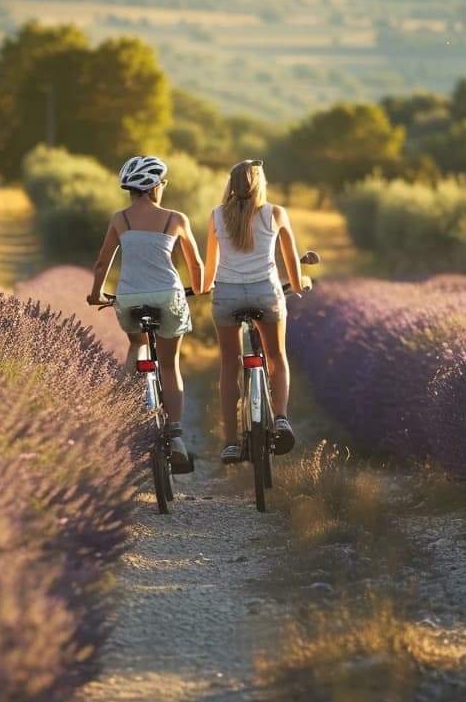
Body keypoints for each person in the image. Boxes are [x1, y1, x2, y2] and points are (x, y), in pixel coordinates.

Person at [89, 155, 208, 472]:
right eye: (162, 183)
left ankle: (123, 411)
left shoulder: (120, 219)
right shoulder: (175, 219)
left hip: (129, 297)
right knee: (169, 365)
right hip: (168, 295)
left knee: (136, 345)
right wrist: (199, 287)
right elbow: (195, 265)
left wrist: (96, 293)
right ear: (155, 187)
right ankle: (176, 434)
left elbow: (103, 263)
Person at [204, 159, 310, 465]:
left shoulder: (216, 216)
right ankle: (280, 419)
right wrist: (300, 283)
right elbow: (291, 261)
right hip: (266, 294)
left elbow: (210, 271)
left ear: (231, 185)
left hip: (227, 297)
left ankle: (229, 443)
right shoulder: (275, 214)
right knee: (276, 357)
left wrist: (205, 286)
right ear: (259, 184)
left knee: (229, 365)